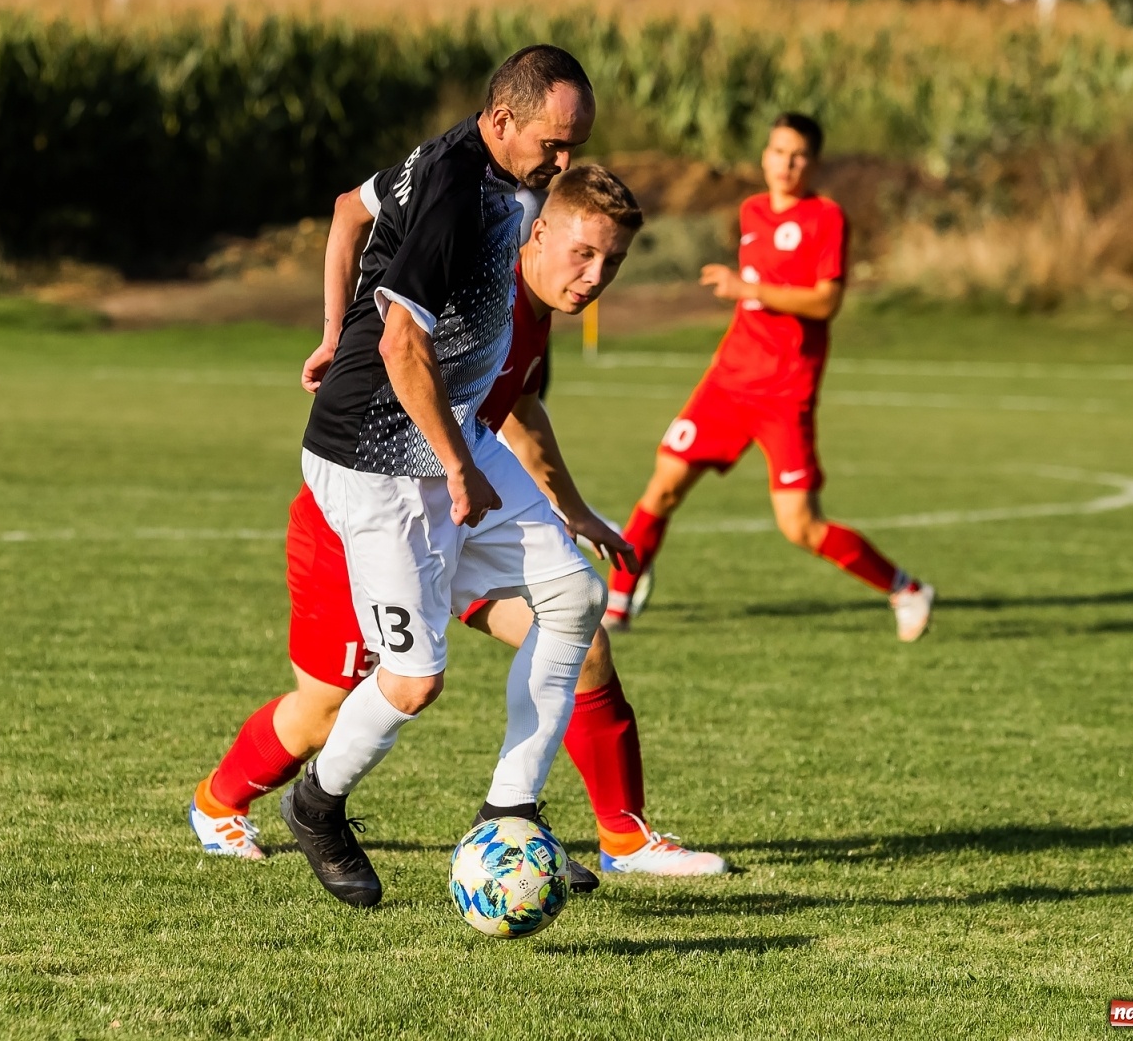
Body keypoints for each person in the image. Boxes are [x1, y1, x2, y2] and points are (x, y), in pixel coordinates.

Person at [189, 166, 727, 882]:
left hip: (458, 509)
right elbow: (388, 324)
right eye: (583, 253)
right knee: (327, 708)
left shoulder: (538, 315)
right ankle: (218, 801)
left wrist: (569, 505)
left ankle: (604, 834)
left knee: (580, 630)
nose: (596, 276)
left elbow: (521, 407)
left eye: (613, 262)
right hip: (357, 518)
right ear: (539, 234)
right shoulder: (479, 287)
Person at [275, 45, 608, 909]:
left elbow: (349, 210)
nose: (563, 164)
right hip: (375, 456)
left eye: (574, 146)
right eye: (554, 145)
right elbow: (398, 344)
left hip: (446, 431)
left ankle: (511, 810)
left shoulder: (469, 152)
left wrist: (326, 325)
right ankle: (316, 804)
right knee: (415, 681)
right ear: (502, 122)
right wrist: (457, 468)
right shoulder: (457, 192)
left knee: (573, 599)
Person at [603, 113, 935, 642]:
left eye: (799, 155)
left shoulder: (826, 218)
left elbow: (826, 302)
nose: (787, 163)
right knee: (662, 485)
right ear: (764, 156)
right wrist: (743, 294)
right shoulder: (751, 210)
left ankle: (905, 588)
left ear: (814, 163)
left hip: (785, 391)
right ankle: (618, 600)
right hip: (729, 381)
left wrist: (747, 291)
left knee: (800, 525)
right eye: (778, 151)